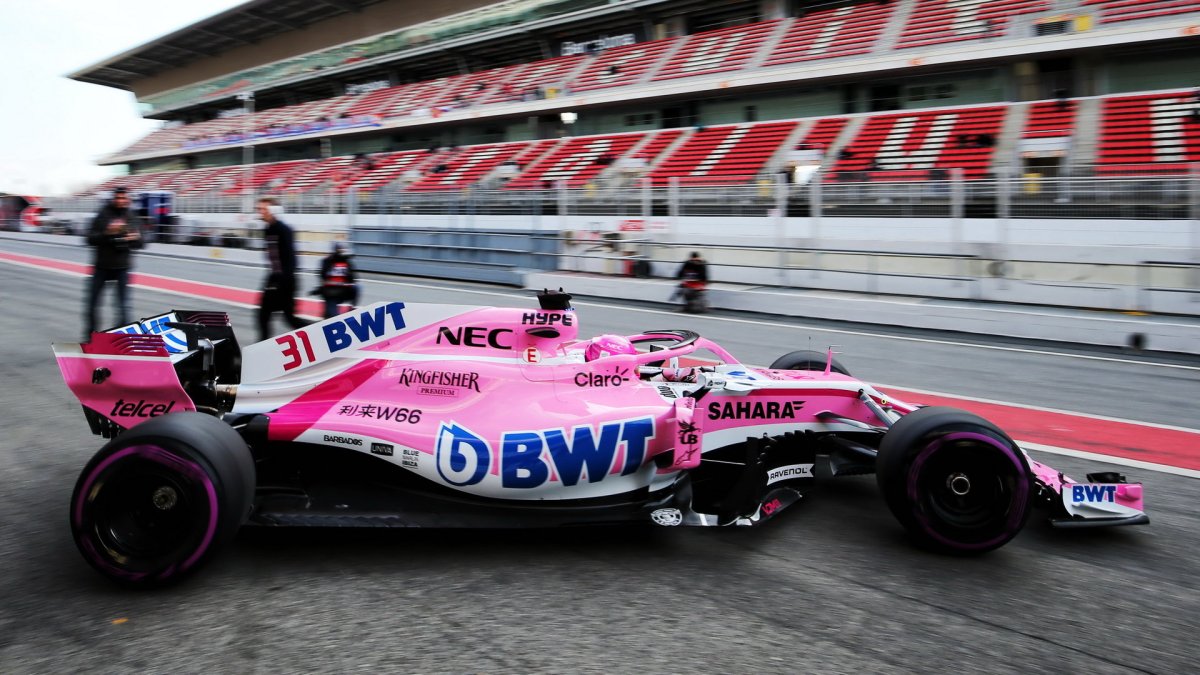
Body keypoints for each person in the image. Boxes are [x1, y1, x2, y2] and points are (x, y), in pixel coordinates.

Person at [83, 187, 141, 339]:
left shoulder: (132, 216)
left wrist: (133, 238)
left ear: (128, 200)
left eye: (124, 198)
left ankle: (121, 340)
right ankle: (91, 338)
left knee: (123, 308)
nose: (121, 201)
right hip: (101, 266)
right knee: (92, 306)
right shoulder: (103, 214)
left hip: (122, 267)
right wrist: (107, 233)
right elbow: (89, 238)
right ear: (113, 199)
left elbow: (143, 242)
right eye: (118, 198)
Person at [256, 197, 308, 341]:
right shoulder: (268, 230)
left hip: (285, 281)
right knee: (264, 316)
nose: (260, 212)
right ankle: (261, 348)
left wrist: (281, 283)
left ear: (275, 211)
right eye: (259, 209)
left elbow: (291, 260)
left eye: (263, 209)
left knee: (288, 318)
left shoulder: (284, 230)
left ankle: (318, 334)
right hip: (274, 278)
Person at [316, 242, 359, 318]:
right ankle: (327, 313)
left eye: (342, 249)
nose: (341, 251)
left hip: (343, 290)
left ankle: (351, 308)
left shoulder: (346, 262)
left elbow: (352, 278)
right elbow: (323, 276)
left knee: (358, 287)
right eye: (340, 249)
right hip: (331, 292)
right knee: (333, 317)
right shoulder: (328, 261)